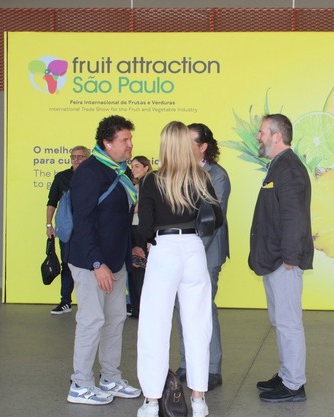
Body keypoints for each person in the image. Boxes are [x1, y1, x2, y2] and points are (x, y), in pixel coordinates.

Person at [136, 121, 223, 417]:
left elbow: (145, 226)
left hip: (164, 249)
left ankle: (151, 401)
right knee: (198, 325)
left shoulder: (152, 180)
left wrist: (149, 241)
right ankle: (198, 399)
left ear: (164, 146)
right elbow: (217, 219)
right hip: (194, 250)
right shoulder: (201, 177)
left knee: (154, 326)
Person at [66, 115, 141, 405]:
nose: (130, 144)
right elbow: (83, 222)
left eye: (130, 139)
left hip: (116, 261)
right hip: (92, 263)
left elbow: (119, 219)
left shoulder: (120, 172)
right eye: (124, 140)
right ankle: (80, 384)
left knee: (115, 319)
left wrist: (130, 249)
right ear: (107, 143)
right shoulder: (89, 173)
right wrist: (97, 264)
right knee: (92, 320)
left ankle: (110, 377)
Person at [249, 114, 314, 403]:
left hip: (283, 261)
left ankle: (294, 384)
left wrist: (290, 258)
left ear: (277, 136)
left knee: (288, 323)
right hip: (276, 258)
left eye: (262, 132)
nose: (258, 137)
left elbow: (293, 217)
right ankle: (287, 373)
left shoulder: (289, 168)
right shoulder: (280, 165)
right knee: (280, 320)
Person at [175, 123, 231, 390]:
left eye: (189, 142)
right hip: (183, 252)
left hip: (206, 253)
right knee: (182, 308)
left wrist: (191, 252)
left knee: (203, 308)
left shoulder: (217, 175)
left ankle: (212, 368)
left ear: (203, 147)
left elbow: (212, 221)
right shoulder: (179, 172)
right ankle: (186, 363)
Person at [46, 145, 90, 314]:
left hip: (89, 228)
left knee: (90, 264)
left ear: (88, 158)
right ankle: (65, 301)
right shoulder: (62, 177)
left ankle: (89, 302)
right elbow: (52, 202)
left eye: (80, 156)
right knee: (66, 264)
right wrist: (48, 225)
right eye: (73, 157)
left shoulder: (94, 176)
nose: (76, 160)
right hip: (67, 229)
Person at [128, 155, 153, 318]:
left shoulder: (149, 186)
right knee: (134, 269)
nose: (133, 169)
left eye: (137, 166)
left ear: (146, 167)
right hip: (132, 230)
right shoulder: (135, 187)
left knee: (142, 270)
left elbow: (141, 209)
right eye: (132, 166)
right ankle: (136, 307)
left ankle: (143, 308)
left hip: (143, 231)